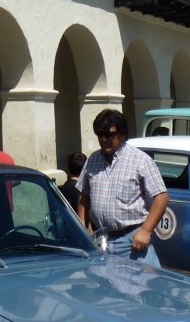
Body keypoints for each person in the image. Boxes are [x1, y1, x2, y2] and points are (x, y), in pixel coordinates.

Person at [77, 108, 169, 267]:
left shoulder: (140, 160)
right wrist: (84, 229)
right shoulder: (92, 160)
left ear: (122, 134)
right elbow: (83, 196)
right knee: (105, 290)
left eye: (109, 135)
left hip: (130, 243)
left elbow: (161, 197)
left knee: (141, 288)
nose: (104, 139)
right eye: (100, 135)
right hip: (100, 241)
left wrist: (146, 231)